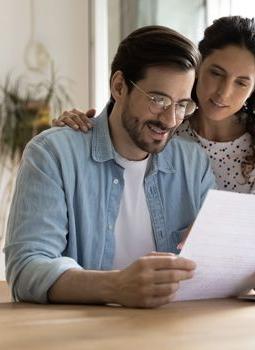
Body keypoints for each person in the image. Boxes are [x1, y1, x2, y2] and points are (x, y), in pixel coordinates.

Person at [53, 16, 255, 294]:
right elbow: (122, 119)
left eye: (241, 82)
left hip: (218, 278)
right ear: (198, 67)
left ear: (254, 88)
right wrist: (76, 128)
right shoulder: (169, 127)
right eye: (216, 73)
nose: (223, 92)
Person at [5, 25, 214, 308]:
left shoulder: (193, 164)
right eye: (158, 100)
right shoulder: (53, 154)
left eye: (181, 105)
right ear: (119, 86)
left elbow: (217, 264)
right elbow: (27, 269)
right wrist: (116, 286)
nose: (170, 119)